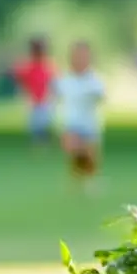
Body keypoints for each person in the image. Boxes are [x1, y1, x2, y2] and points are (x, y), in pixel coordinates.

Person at [54, 41, 105, 187]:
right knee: (73, 148)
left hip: (89, 123)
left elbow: (100, 96)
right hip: (71, 122)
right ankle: (78, 176)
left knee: (89, 156)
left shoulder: (94, 79)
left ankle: (88, 180)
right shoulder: (65, 79)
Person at [11, 37, 55, 146]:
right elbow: (21, 81)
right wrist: (26, 95)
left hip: (45, 99)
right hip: (33, 99)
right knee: (35, 124)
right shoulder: (29, 66)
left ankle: (43, 142)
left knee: (43, 122)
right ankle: (38, 143)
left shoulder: (47, 65)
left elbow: (52, 82)